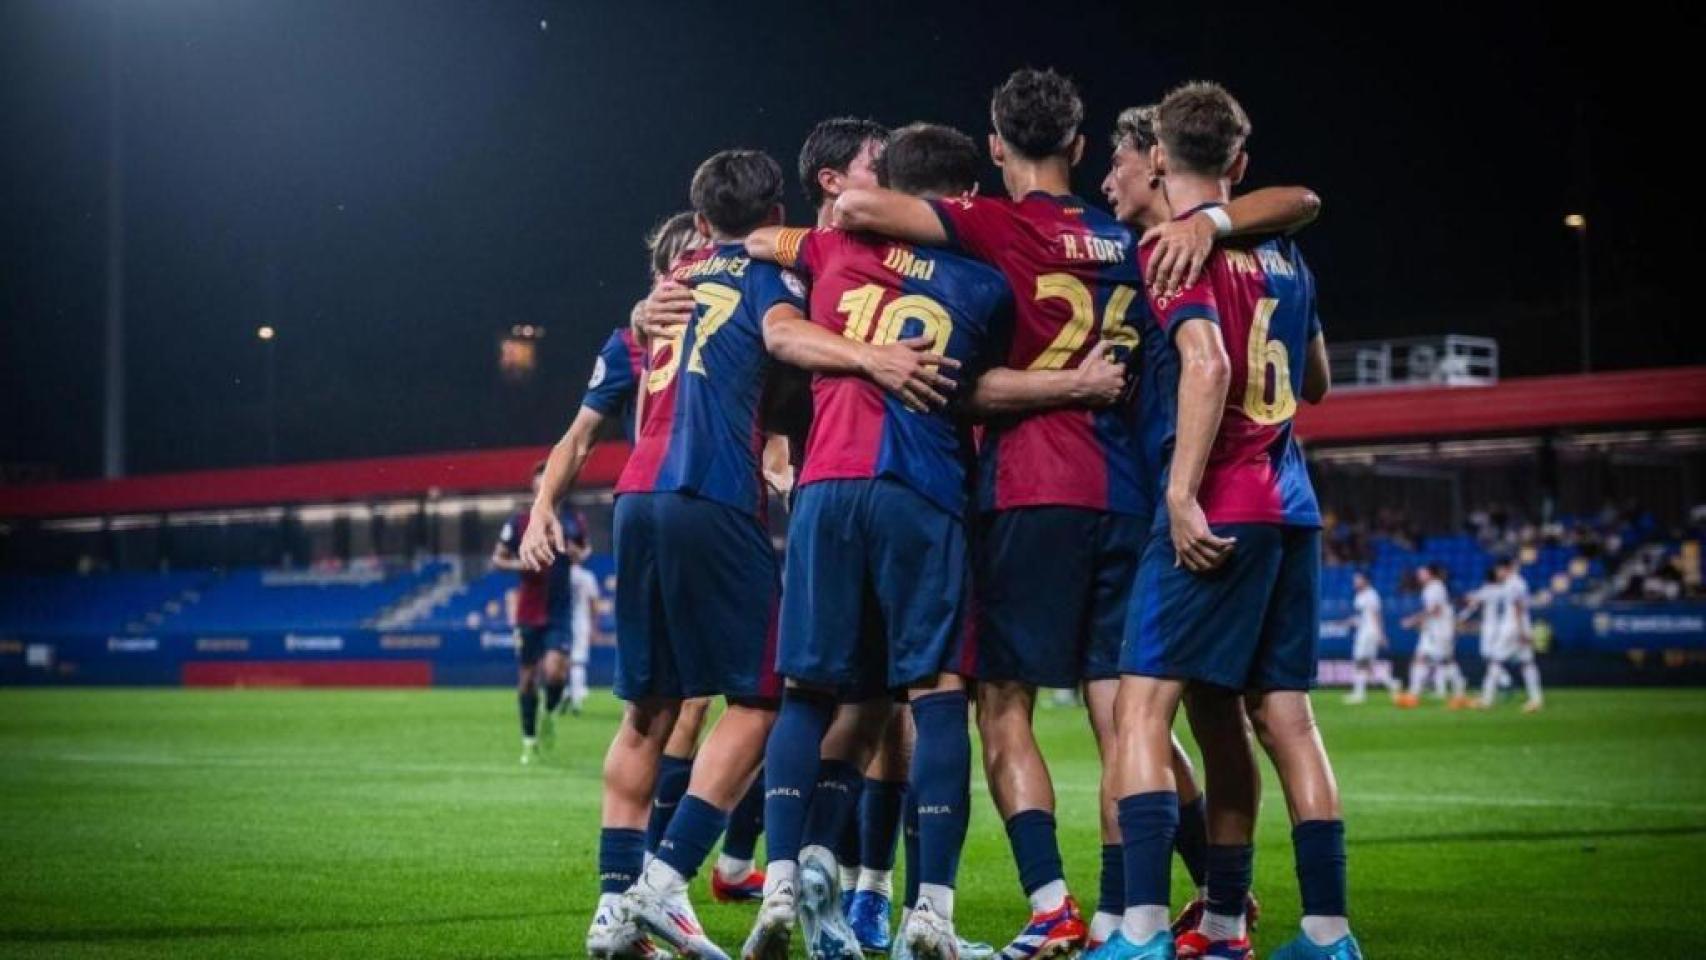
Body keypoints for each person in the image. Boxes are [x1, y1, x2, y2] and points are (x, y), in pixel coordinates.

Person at [832, 69, 1319, 960]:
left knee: (1004, 704)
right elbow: (1289, 205)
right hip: (1130, 496)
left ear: (993, 144)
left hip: (1027, 493)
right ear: (1084, 146)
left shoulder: (994, 226)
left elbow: (866, 216)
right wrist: (1211, 216)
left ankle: (1054, 902)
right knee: (1127, 714)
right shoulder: (1141, 235)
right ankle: (1161, 907)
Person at [613, 149, 954, 960]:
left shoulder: (680, 273)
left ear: (699, 221)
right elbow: (780, 333)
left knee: (653, 709)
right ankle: (673, 879)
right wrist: (871, 356)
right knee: (773, 698)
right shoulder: (778, 272)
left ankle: (622, 901)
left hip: (637, 494)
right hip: (721, 492)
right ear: (780, 216)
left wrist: (636, 315)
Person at [1096, 81, 1362, 960]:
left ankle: (1135, 934)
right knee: (1269, 717)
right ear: (1240, 164)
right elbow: (1316, 381)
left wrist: (1179, 493)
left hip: (1220, 505)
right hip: (1292, 506)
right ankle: (1306, 931)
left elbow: (1206, 363)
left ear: (1161, 159)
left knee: (1139, 712)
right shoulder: (1286, 253)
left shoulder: (1171, 252)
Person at [737, 122, 1006, 960]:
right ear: (959, 200)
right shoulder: (985, 279)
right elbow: (984, 392)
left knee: (811, 694)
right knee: (935, 696)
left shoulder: (832, 251)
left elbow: (757, 244)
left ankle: (781, 880)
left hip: (826, 488)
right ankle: (930, 911)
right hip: (920, 490)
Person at [493, 461, 589, 764]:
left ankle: (549, 713)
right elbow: (498, 558)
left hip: (559, 610)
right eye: (539, 481)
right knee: (526, 678)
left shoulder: (573, 520)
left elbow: (584, 550)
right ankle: (529, 740)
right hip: (528, 611)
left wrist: (576, 553)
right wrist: (520, 563)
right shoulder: (520, 522)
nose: (544, 485)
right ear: (534, 487)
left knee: (556, 670)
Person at [1399, 565, 1468, 708]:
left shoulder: (1435, 587)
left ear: (1430, 574)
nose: (1419, 575)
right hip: (1432, 631)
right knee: (1420, 658)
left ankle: (1460, 694)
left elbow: (1434, 610)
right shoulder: (1430, 589)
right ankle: (1413, 695)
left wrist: (1413, 620)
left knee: (1447, 661)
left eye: (1422, 573)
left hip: (1441, 631)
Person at [1344, 572, 1399, 704]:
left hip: (1369, 633)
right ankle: (1392, 683)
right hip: (1363, 632)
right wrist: (1350, 621)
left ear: (1365, 580)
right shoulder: (1360, 596)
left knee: (1361, 661)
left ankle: (1359, 694)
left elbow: (1376, 615)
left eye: (1358, 579)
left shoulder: (1371, 594)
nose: (1355, 582)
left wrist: (1381, 634)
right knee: (1368, 663)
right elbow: (1363, 617)